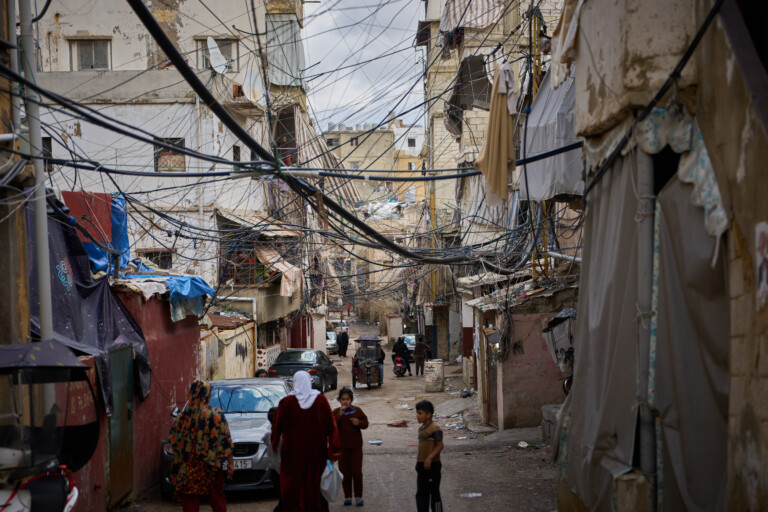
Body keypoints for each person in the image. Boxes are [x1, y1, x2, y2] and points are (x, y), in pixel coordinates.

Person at [272, 371, 341, 511]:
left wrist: (274, 446)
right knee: (314, 487)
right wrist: (333, 451)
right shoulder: (320, 400)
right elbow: (331, 427)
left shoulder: (286, 403)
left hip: (292, 456)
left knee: (293, 488)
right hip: (316, 455)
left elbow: (276, 428)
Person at [168, 380, 234, 512]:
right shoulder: (216, 415)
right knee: (217, 500)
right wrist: (230, 464)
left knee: (190, 502)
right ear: (208, 395)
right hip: (211, 467)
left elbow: (173, 442)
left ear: (191, 394)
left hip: (188, 468)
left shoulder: (182, 417)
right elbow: (226, 441)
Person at [332, 388, 369, 506]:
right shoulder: (336, 412)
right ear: (339, 400)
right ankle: (347, 496)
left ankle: (358, 496)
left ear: (351, 400)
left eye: (347, 399)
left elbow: (366, 423)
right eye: (343, 399)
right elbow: (331, 425)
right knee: (345, 472)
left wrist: (358, 423)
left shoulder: (357, 411)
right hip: (342, 448)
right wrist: (339, 415)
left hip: (356, 447)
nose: (345, 402)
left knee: (356, 471)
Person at [415, 400, 443, 512]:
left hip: (433, 465)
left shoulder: (435, 428)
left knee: (434, 493)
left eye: (420, 413)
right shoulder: (421, 428)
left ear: (428, 415)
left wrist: (430, 458)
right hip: (421, 465)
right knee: (421, 493)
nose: (417, 416)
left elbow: (440, 445)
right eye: (417, 413)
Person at [264, 407, 282, 512]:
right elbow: (277, 461)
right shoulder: (276, 438)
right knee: (284, 503)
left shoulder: (272, 435)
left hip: (276, 473)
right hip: (278, 474)